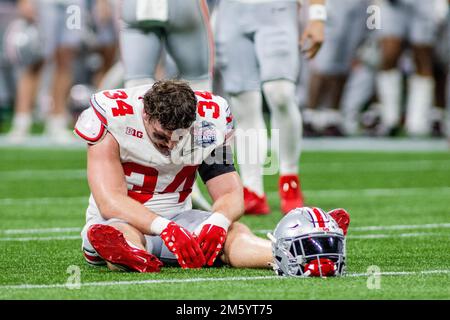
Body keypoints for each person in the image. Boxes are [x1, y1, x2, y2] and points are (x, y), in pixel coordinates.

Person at [74, 79, 275, 271]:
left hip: (180, 219)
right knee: (119, 235)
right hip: (120, 221)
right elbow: (110, 201)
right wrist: (164, 228)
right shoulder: (113, 116)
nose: (171, 145)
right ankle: (129, 253)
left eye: (179, 136)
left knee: (234, 232)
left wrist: (218, 222)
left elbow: (229, 192)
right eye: (161, 136)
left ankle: (287, 256)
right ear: (145, 114)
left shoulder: (209, 121)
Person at [214, 0, 326, 215]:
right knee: (243, 102)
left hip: (277, 9)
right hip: (230, 11)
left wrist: (317, 15)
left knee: (281, 93)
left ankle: (289, 177)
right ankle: (252, 188)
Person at [6, 0, 88, 144]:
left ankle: (57, 121)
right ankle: (22, 121)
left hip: (74, 5)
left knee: (66, 58)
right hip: (45, 3)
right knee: (36, 59)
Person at [376, 0, 442, 137]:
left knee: (422, 57)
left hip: (424, 3)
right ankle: (389, 120)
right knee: (389, 54)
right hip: (393, 4)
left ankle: (417, 121)